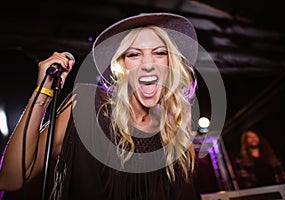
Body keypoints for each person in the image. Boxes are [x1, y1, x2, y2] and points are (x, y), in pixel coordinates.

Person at [0, 13, 201, 199]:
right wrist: (43, 92)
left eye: (159, 53)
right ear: (121, 65)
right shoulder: (88, 107)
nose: (148, 64)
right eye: (133, 55)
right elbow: (11, 179)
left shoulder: (173, 130)